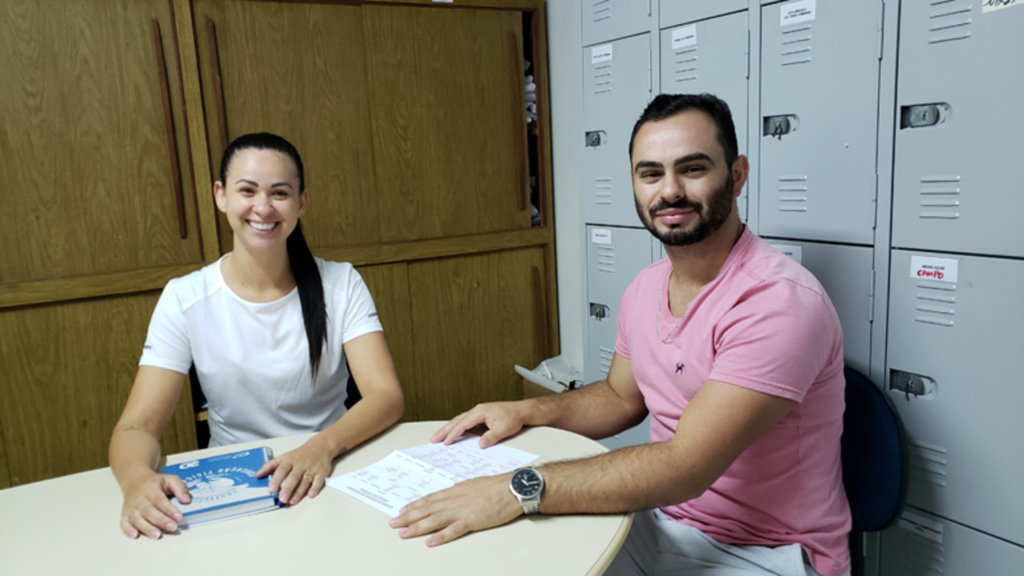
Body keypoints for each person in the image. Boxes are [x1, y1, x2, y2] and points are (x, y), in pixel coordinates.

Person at [389, 94, 851, 576]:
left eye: (692, 169)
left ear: (736, 175)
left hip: (765, 553)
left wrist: (518, 487)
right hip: (658, 520)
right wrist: (524, 412)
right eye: (650, 174)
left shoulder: (778, 303)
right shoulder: (646, 286)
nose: (669, 191)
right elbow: (618, 397)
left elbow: (685, 466)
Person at [110, 133, 404, 540]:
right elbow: (136, 426)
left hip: (329, 468)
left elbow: (385, 395)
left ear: (301, 202)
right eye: (247, 190)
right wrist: (135, 481)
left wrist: (323, 446)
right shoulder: (185, 297)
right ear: (221, 196)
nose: (263, 207)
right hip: (230, 488)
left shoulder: (341, 283)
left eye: (279, 193)